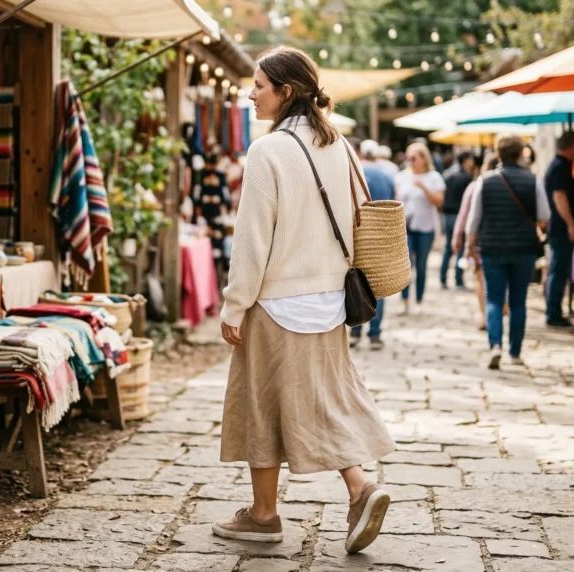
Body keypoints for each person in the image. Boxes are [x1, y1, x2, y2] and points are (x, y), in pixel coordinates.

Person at [215, 46, 395, 554]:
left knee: (262, 405)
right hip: (330, 301)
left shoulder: (267, 151)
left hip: (274, 302)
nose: (251, 94)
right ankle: (358, 488)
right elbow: (360, 216)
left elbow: (252, 239)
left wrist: (234, 304)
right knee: (324, 399)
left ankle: (266, 514)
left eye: (259, 86)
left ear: (285, 92)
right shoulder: (340, 145)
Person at [466, 134, 550, 370]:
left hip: (492, 247)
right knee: (518, 300)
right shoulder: (533, 181)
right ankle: (514, 352)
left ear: (498, 153)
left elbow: (475, 219)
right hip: (524, 248)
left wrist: (469, 245)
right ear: (521, 153)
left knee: (494, 298)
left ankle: (495, 346)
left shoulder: (485, 181)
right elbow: (544, 215)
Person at [350, 139, 395, 350]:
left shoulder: (352, 173)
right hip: (380, 234)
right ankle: (375, 334)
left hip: (356, 235)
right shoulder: (386, 175)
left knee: (356, 281)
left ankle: (356, 329)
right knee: (378, 286)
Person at [395, 142, 446, 314]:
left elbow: (439, 202)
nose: (410, 161)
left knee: (422, 265)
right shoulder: (402, 176)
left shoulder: (434, 177)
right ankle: (405, 300)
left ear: (424, 159)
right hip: (406, 227)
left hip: (425, 227)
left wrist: (424, 188)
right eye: (408, 158)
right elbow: (396, 201)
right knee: (405, 265)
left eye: (414, 158)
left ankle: (419, 300)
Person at [454, 154, 498, 331]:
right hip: (503, 240)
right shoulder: (509, 184)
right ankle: (500, 308)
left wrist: (459, 238)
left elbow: (465, 215)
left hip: (481, 239)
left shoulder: (475, 186)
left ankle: (485, 316)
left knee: (480, 279)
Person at [545, 131, 574, 328]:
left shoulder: (561, 166)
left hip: (560, 228)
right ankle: (553, 312)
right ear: (572, 144)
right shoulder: (560, 167)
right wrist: (571, 224)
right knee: (558, 271)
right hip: (561, 229)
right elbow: (559, 197)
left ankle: (554, 310)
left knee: (558, 270)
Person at [192, 153, 233, 270]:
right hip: (205, 215)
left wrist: (225, 212)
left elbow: (226, 196)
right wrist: (198, 216)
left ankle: (218, 269)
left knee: (218, 243)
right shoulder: (201, 175)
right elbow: (197, 195)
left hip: (217, 215)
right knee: (206, 244)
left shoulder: (220, 176)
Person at [442, 152, 476, 289]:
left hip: (446, 214)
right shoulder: (466, 177)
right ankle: (458, 279)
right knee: (460, 247)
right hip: (458, 215)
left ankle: (443, 278)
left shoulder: (447, 174)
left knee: (448, 248)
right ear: (465, 161)